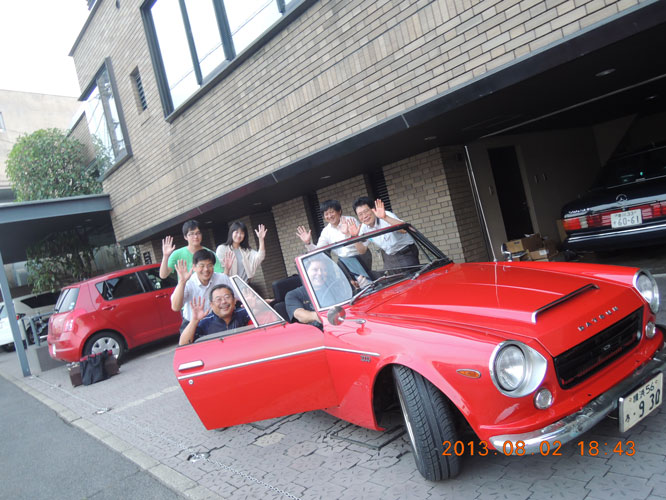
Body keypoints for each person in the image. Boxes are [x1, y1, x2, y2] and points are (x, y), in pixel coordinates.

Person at [295, 199, 371, 276]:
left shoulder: (350, 220)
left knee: (366, 280)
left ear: (339, 211)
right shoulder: (326, 231)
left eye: (331, 212)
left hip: (361, 256)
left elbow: (364, 242)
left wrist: (348, 234)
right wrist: (308, 243)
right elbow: (319, 250)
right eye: (326, 214)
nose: (329, 216)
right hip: (344, 261)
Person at [170, 249, 232, 331]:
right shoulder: (188, 282)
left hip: (217, 322)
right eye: (201, 266)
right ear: (194, 267)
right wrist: (182, 282)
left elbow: (236, 297)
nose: (206, 269)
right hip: (193, 324)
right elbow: (176, 307)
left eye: (209, 265)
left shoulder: (222, 278)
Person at [349, 197, 419, 269]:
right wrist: (354, 237)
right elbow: (362, 251)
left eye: (366, 211)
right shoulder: (364, 228)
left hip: (405, 252)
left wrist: (385, 217)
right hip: (389, 256)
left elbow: (404, 230)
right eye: (360, 214)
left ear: (373, 209)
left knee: (410, 275)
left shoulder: (385, 215)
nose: (364, 216)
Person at [285, 256, 351, 329]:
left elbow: (347, 305)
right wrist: (317, 316)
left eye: (323, 270)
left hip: (342, 325)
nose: (320, 273)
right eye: (315, 270)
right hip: (316, 331)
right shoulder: (293, 295)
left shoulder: (334, 288)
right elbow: (300, 315)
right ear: (305, 272)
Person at [178, 285, 250, 345]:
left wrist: (253, 308)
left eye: (227, 297)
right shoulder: (205, 323)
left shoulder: (243, 313)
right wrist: (194, 321)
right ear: (211, 305)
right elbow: (183, 344)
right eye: (218, 299)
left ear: (234, 301)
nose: (224, 301)